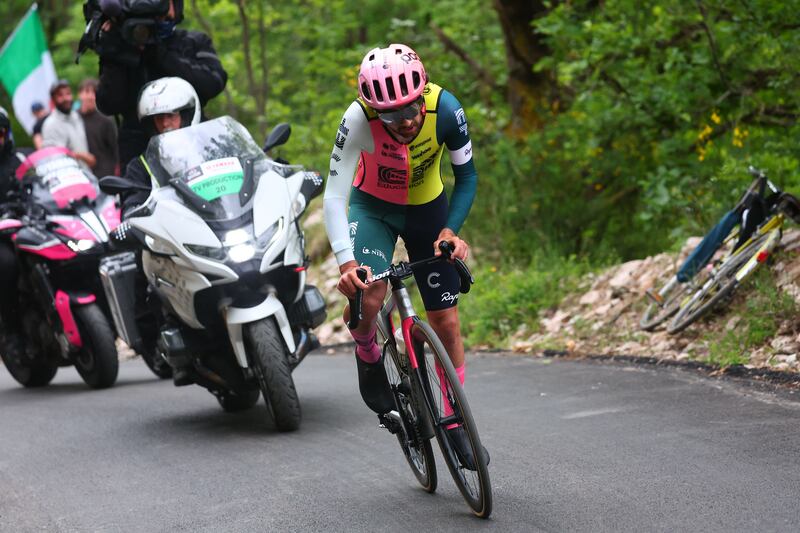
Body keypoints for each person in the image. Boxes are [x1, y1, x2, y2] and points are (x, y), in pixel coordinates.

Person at [322, 44, 486, 469]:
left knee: (446, 321)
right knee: (370, 294)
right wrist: (345, 263)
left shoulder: (446, 110)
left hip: (428, 209)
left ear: (423, 93)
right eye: (391, 116)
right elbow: (334, 196)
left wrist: (450, 230)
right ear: (373, 109)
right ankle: (366, 350)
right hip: (372, 209)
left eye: (411, 108)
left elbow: (466, 177)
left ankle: (456, 422)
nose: (407, 121)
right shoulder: (357, 118)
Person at [118, 76, 201, 386]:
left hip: (215, 227)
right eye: (158, 119)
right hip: (171, 239)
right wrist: (131, 214)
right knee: (149, 277)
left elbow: (246, 166)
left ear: (187, 113)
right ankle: (163, 343)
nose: (166, 124)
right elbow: (132, 198)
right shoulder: (142, 164)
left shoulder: (211, 145)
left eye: (171, 115)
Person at [96, 0, 227, 168]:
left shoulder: (193, 41)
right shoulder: (123, 49)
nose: (157, 13)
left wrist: (160, 55)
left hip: (195, 146)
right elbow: (108, 105)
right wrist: (112, 56)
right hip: (140, 157)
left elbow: (213, 83)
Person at [0, 107, 28, 359]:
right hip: (1, 237)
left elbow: (42, 183)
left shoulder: (20, 160)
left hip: (28, 225)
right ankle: (11, 330)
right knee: (7, 265)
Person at [40, 80, 96, 169]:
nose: (66, 98)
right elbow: (53, 158)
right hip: (68, 177)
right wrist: (81, 156)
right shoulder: (50, 124)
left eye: (68, 94)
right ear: (53, 100)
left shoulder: (76, 116)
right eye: (60, 95)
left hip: (86, 176)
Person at [78, 78, 119, 177]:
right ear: (80, 94)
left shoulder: (106, 120)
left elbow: (115, 148)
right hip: (80, 173)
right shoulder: (73, 119)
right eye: (87, 91)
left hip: (104, 173)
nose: (90, 96)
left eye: (94, 92)